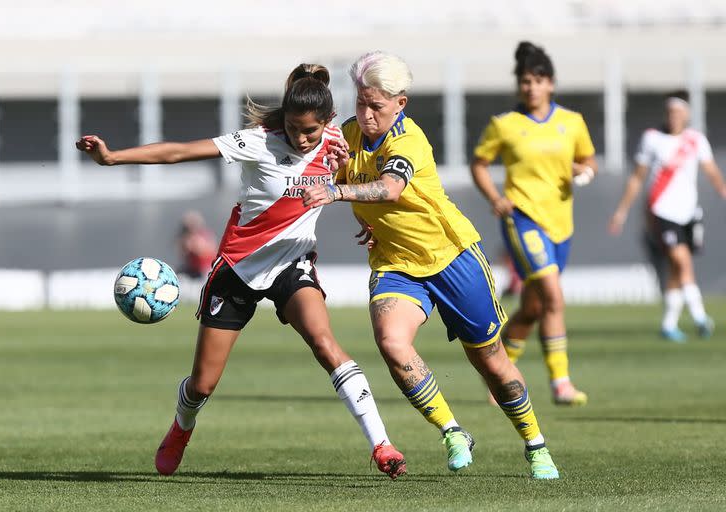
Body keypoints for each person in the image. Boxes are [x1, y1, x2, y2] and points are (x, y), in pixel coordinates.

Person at [76, 63, 407, 479]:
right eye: (292, 128)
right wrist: (111, 158)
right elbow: (178, 151)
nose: (302, 139)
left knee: (326, 344)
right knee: (203, 385)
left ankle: (382, 445)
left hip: (293, 262)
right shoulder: (256, 142)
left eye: (310, 131)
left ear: (326, 122)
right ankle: (181, 428)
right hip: (238, 268)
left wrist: (367, 223)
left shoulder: (337, 140)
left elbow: (347, 184)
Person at [303, 51, 560, 480]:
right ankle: (452, 430)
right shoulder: (348, 134)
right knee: (391, 342)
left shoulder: (409, 140)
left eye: (376, 106)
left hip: (453, 257)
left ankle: (535, 443)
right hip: (396, 263)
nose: (365, 114)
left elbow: (389, 188)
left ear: (399, 104)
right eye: (361, 103)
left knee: (491, 362)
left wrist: (336, 192)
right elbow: (340, 164)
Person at [470, 41, 596, 407]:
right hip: (522, 220)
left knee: (534, 308)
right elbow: (479, 163)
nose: (532, 87)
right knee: (554, 299)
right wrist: (496, 198)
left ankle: (499, 376)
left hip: (561, 224)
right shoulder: (505, 125)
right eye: (525, 81)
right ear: (519, 86)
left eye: (538, 80)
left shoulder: (571, 123)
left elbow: (588, 160)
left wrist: (583, 171)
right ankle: (561, 384)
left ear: (551, 84)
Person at [609, 90, 726, 342]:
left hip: (689, 213)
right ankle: (699, 316)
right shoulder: (652, 139)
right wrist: (621, 211)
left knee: (676, 268)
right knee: (682, 261)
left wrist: (721, 189)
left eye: (678, 112)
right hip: (661, 211)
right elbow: (638, 177)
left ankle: (669, 323)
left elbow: (711, 170)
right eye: (670, 112)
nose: (673, 116)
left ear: (687, 114)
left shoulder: (695, 140)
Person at [178, 210, 219, 278]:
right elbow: (182, 253)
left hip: (206, 269)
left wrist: (197, 246)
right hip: (192, 270)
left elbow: (211, 250)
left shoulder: (204, 235)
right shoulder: (185, 238)